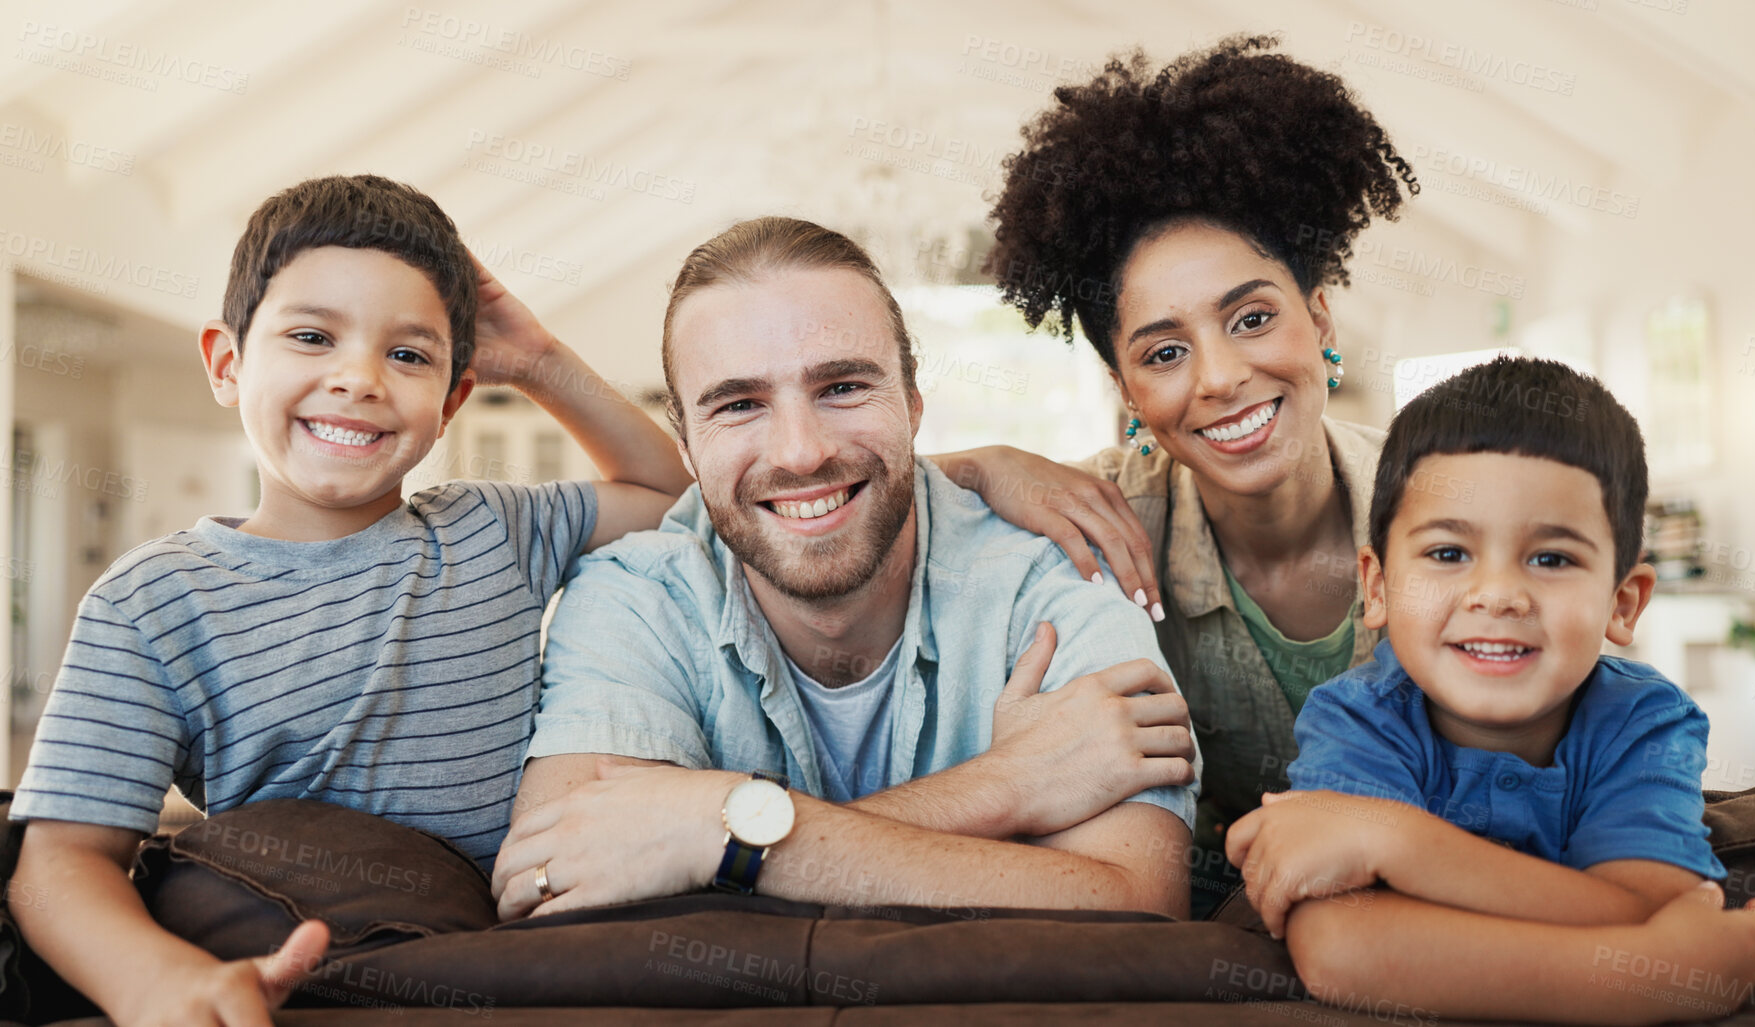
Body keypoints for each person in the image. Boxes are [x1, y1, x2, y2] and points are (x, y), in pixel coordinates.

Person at [9, 175, 694, 1027]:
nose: (359, 378)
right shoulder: (153, 600)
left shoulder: (494, 525)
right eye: (310, 336)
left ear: (450, 401)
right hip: (315, 963)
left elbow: (671, 495)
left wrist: (541, 363)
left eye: (408, 354)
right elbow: (60, 860)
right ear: (227, 364)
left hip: (515, 958)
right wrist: (155, 981)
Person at [490, 216, 1200, 921]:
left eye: (842, 388)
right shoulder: (634, 595)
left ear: (913, 402)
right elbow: (555, 891)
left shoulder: (1052, 569)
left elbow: (1136, 897)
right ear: (684, 443)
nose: (801, 452)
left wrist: (714, 836)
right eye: (739, 404)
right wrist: (1000, 785)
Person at [930, 38, 1405, 905]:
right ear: (1125, 390)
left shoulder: (1440, 492)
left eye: (1253, 317)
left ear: (1320, 318)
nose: (1219, 377)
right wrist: (979, 465)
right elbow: (836, 503)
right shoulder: (1099, 519)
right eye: (1166, 350)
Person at [1224, 357, 1755, 1022]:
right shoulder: (1360, 716)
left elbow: (1647, 904)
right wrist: (1641, 979)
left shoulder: (1642, 719)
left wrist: (1393, 842)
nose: (1496, 594)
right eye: (1447, 553)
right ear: (1376, 586)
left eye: (1551, 558)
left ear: (1622, 601)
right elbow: (1338, 948)